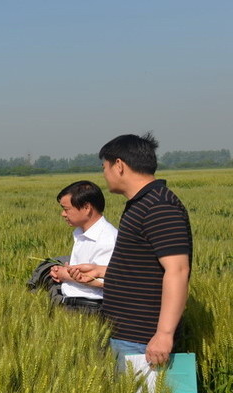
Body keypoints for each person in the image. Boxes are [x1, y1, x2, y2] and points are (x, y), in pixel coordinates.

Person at [68, 133, 192, 370]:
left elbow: (177, 270)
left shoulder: (159, 206)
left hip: (142, 339)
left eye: (104, 167)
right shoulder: (142, 204)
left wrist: (164, 334)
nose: (104, 175)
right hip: (127, 334)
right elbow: (146, 267)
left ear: (119, 165)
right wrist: (101, 270)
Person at [48, 180, 118, 313]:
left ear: (87, 208)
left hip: (91, 308)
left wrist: (65, 274)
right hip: (74, 305)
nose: (63, 214)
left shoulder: (107, 238)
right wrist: (61, 271)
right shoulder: (81, 233)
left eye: (66, 209)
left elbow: (107, 281)